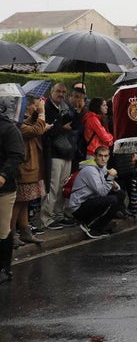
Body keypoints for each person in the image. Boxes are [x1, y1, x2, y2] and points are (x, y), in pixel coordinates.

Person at [12, 94, 47, 247]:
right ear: (27, 105)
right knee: (18, 202)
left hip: (30, 167)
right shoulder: (15, 123)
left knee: (25, 201)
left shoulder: (19, 121)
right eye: (34, 105)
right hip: (24, 168)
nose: (36, 107)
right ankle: (10, 234)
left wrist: (35, 114)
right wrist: (41, 113)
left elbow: (30, 124)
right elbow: (36, 130)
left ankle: (25, 232)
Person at [41, 81, 77, 229]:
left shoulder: (66, 107)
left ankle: (58, 214)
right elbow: (46, 132)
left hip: (66, 152)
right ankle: (47, 219)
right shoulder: (46, 107)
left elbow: (76, 126)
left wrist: (78, 112)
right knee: (53, 186)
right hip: (53, 152)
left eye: (63, 92)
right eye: (58, 91)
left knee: (63, 186)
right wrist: (62, 127)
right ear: (51, 92)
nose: (61, 94)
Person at [0, 85, 25, 283]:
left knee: (2, 230)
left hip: (3, 189)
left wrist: (2, 174)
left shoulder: (9, 129)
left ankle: (4, 267)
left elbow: (17, 155)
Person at [68, 146, 120, 239]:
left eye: (105, 156)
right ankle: (91, 226)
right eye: (100, 156)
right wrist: (110, 178)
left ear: (108, 157)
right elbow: (102, 192)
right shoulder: (90, 170)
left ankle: (100, 225)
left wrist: (114, 184)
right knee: (112, 200)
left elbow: (115, 188)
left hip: (89, 201)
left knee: (120, 194)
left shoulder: (102, 168)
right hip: (78, 207)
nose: (103, 159)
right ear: (95, 156)